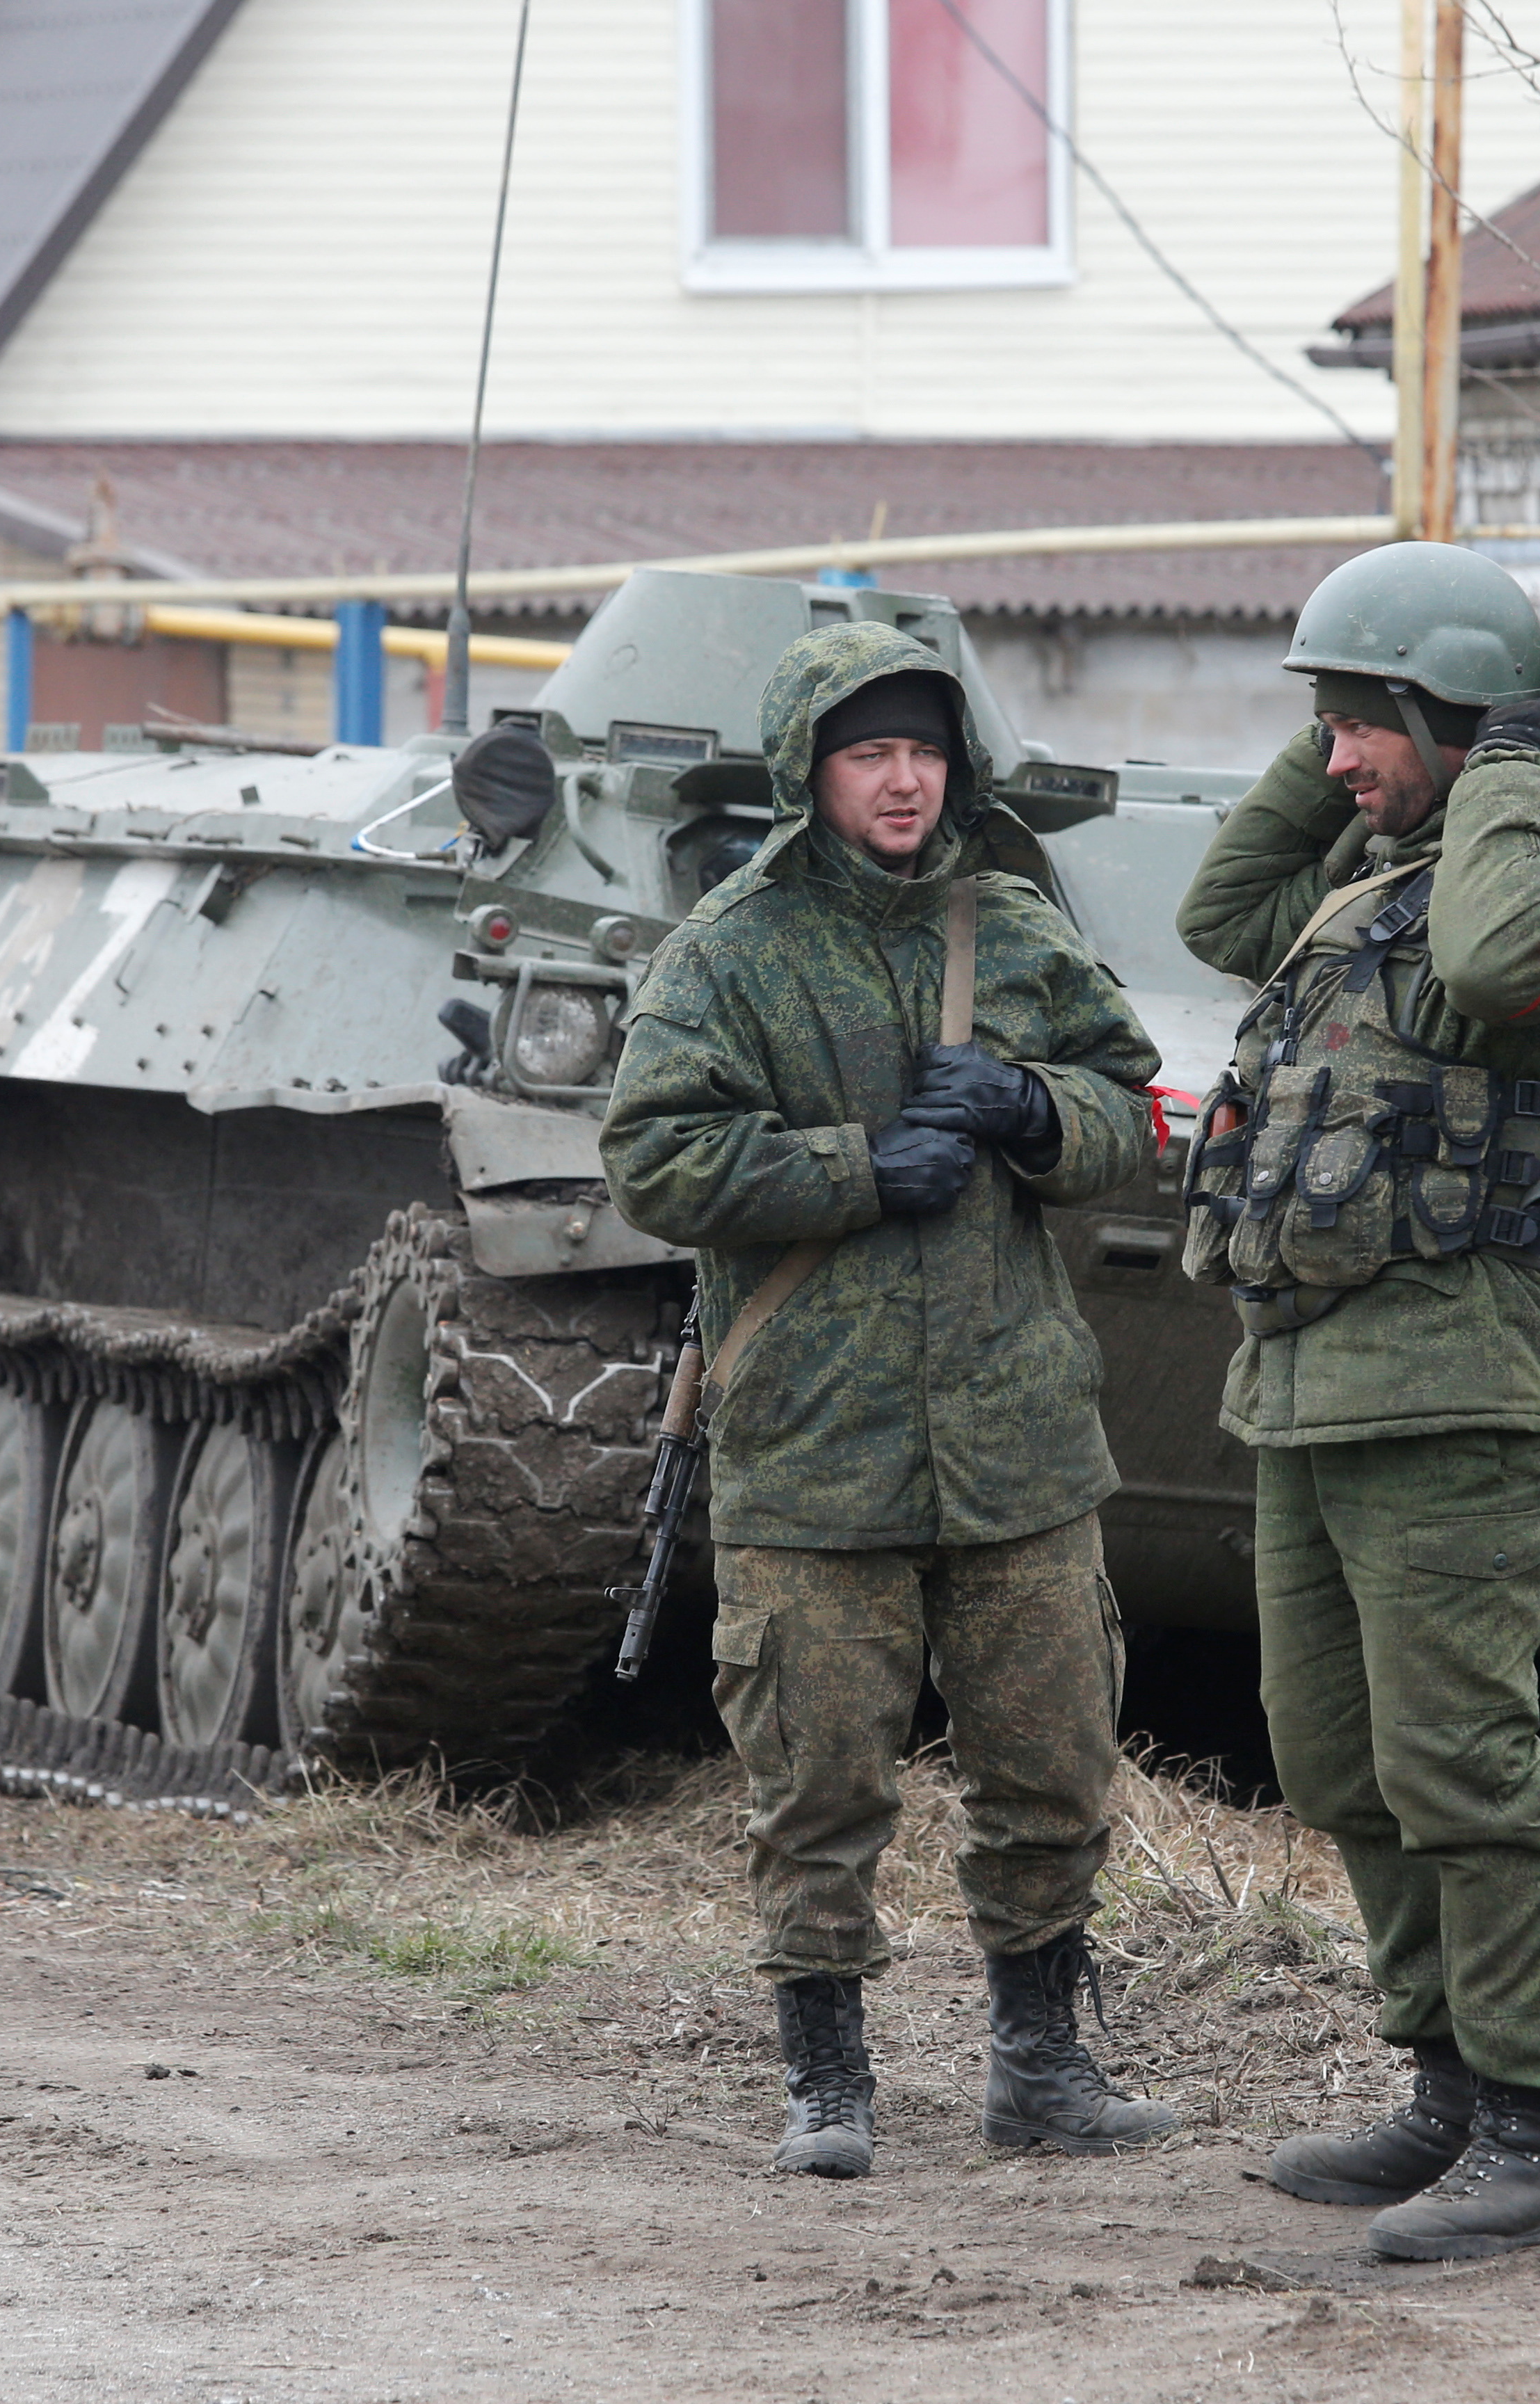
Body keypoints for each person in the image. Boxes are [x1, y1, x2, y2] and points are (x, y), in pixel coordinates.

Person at [602, 621, 1178, 2180]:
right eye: (872, 751)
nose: (905, 779)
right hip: (814, 1439)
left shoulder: (1018, 931)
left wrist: (1033, 1114)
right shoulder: (725, 953)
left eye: (925, 750)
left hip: (1017, 1439)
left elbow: (1139, 1118)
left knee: (1051, 1766)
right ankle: (827, 2085)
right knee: (819, 1777)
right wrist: (855, 1172)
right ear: (812, 771)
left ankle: (1045, 2071)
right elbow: (651, 1158)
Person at [1172, 543, 1540, 2259]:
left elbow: (1485, 971)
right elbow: (1218, 917)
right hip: (1310, 1380)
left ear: (1461, 726)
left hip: (1460, 1374)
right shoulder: (1367, 875)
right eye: (1322, 730)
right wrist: (1360, 704)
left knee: (1461, 1761)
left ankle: (1538, 2135)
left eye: (1362, 727)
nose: (1331, 764)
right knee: (1339, 1761)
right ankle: (1448, 2089)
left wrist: (1514, 758)